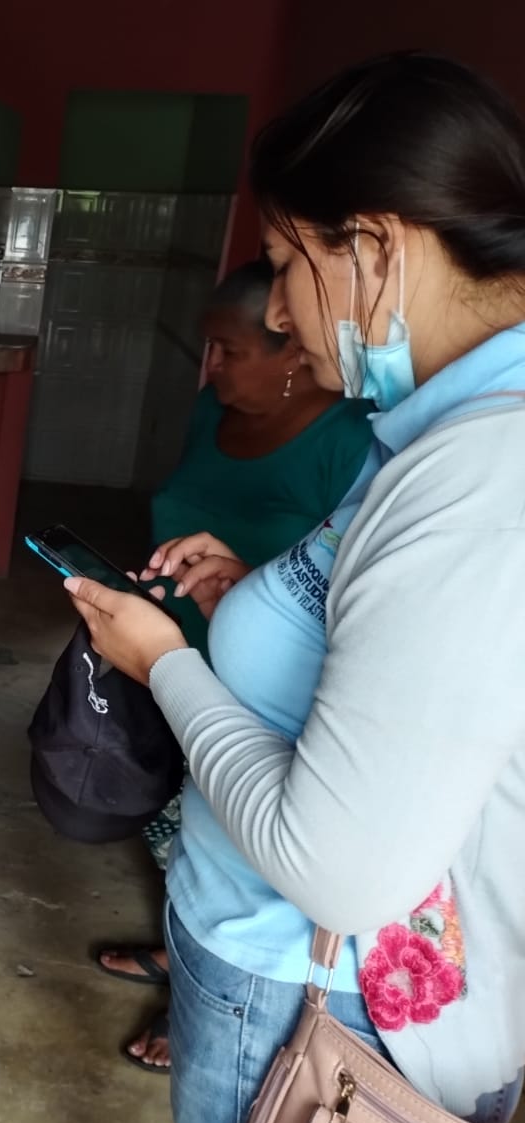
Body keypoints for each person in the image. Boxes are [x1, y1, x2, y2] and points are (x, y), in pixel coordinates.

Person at [63, 52, 525, 1123]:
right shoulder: (440, 431)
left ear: (376, 248)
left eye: (283, 264)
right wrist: (261, 592)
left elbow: (335, 868)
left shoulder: (480, 474)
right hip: (285, 974)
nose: (273, 309)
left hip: (316, 989)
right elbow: (401, 645)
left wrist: (165, 664)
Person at [94, 260, 374, 1074]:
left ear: (292, 353)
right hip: (164, 657)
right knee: (179, 830)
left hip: (258, 689)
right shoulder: (209, 413)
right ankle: (182, 951)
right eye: (208, 348)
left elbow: (341, 589)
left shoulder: (351, 442)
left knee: (244, 837)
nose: (210, 367)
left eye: (229, 350)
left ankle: (201, 999)